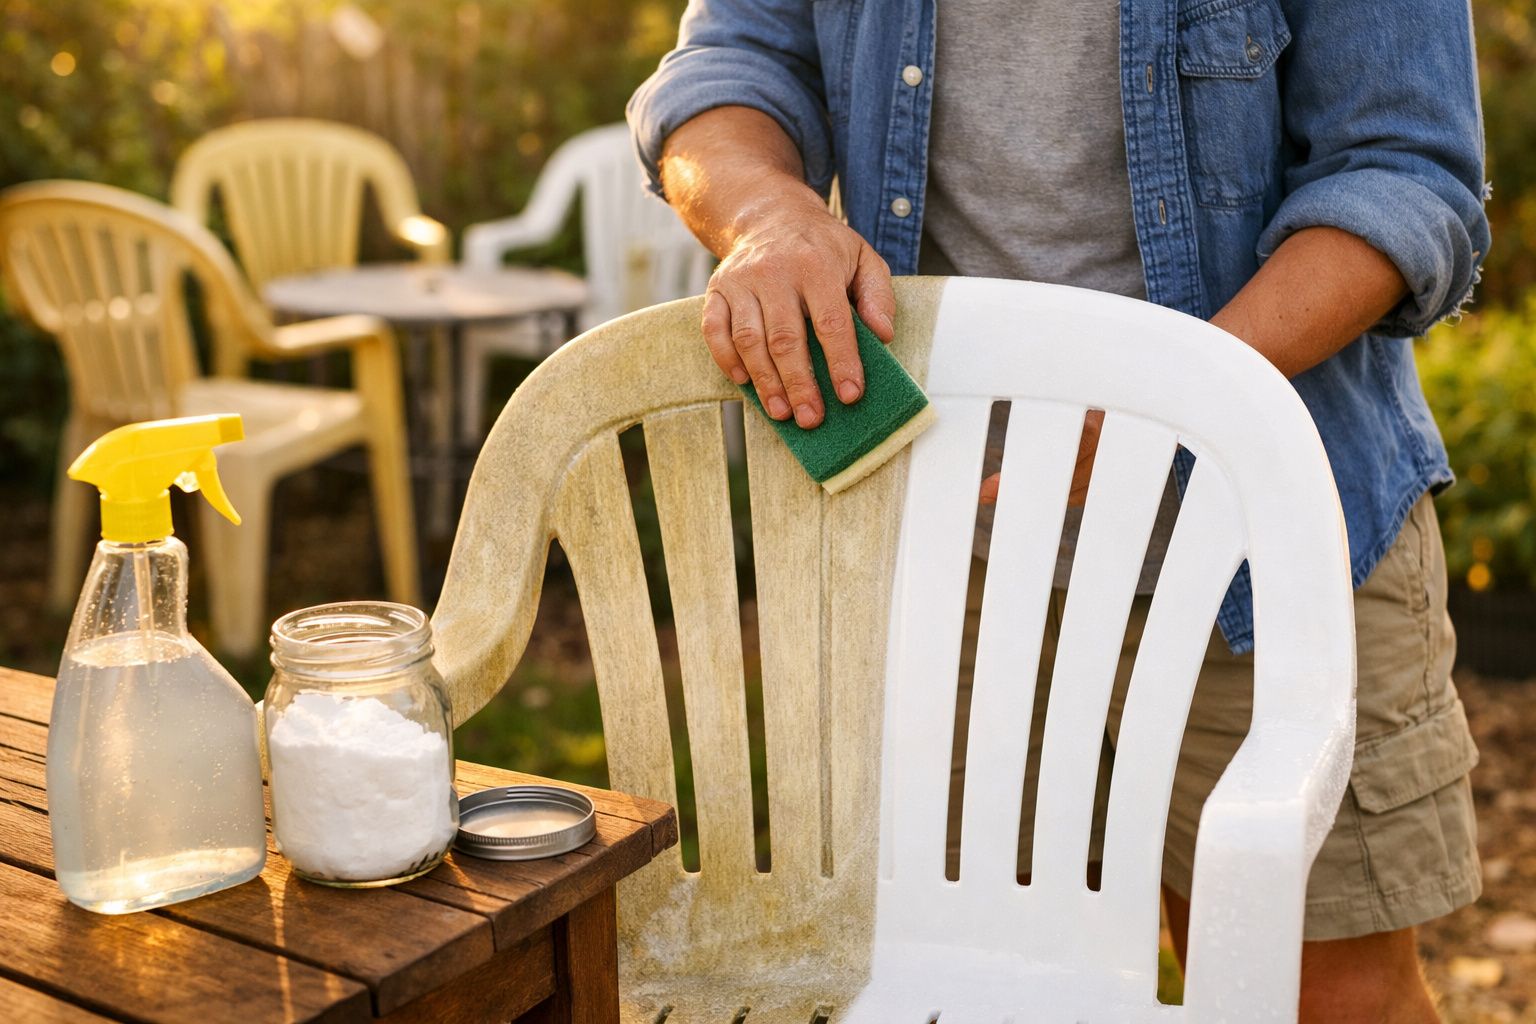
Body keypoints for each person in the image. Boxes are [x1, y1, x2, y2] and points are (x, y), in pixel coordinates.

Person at [627, 1, 1488, 1019]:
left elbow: (1403, 169)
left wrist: (1171, 397)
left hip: (1267, 537)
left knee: (1325, 994)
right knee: (988, 982)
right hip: (958, 547)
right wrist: (766, 212)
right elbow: (729, 62)